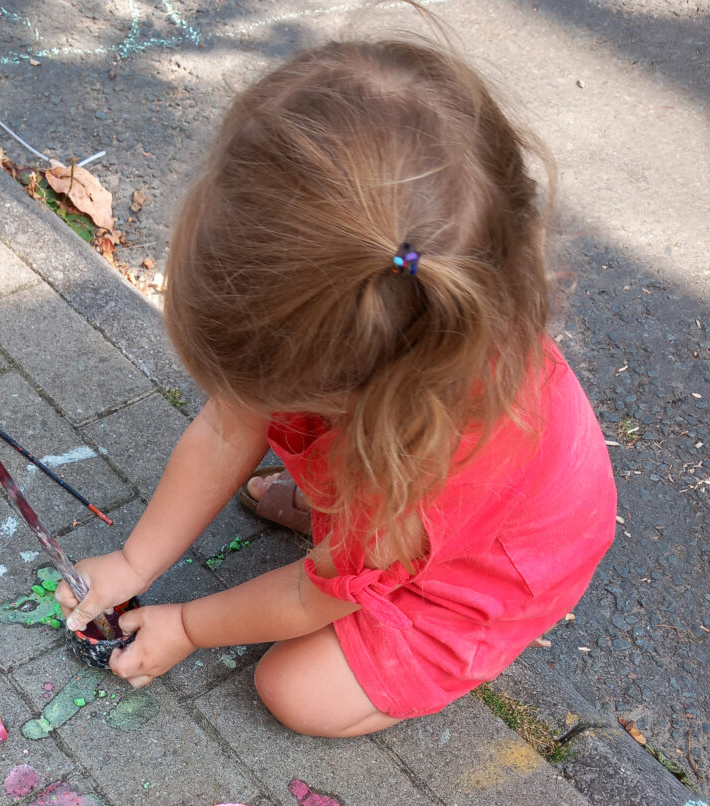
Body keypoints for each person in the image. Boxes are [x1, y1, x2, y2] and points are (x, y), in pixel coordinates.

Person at [56, 36, 617, 738]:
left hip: (493, 569)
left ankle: (386, 576)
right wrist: (134, 561)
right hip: (406, 485)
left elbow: (307, 596)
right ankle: (346, 536)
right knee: (351, 538)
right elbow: (229, 425)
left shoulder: (414, 477)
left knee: (296, 691)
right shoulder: (368, 315)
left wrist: (190, 626)